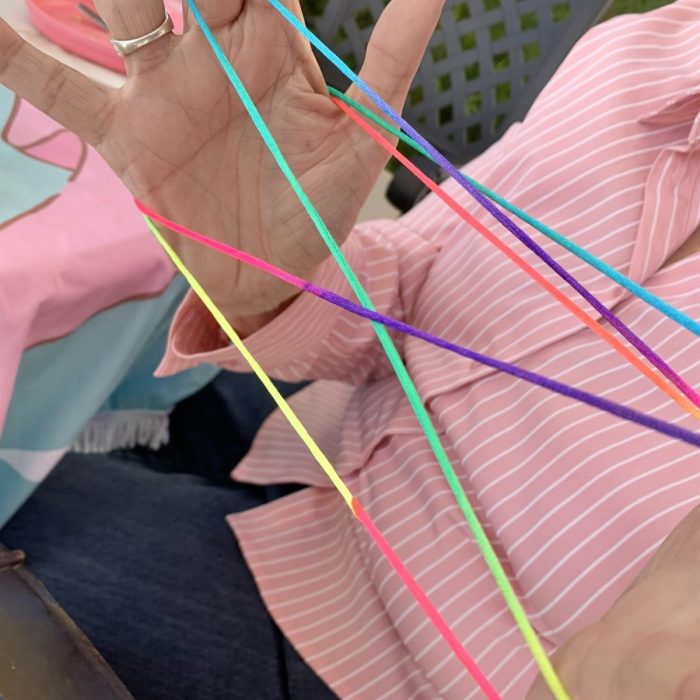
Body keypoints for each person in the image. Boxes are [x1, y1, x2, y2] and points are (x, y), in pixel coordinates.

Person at [1, 0, 700, 698]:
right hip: (313, 435)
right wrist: (275, 280)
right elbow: (413, 285)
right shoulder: (657, 55)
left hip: (371, 657)